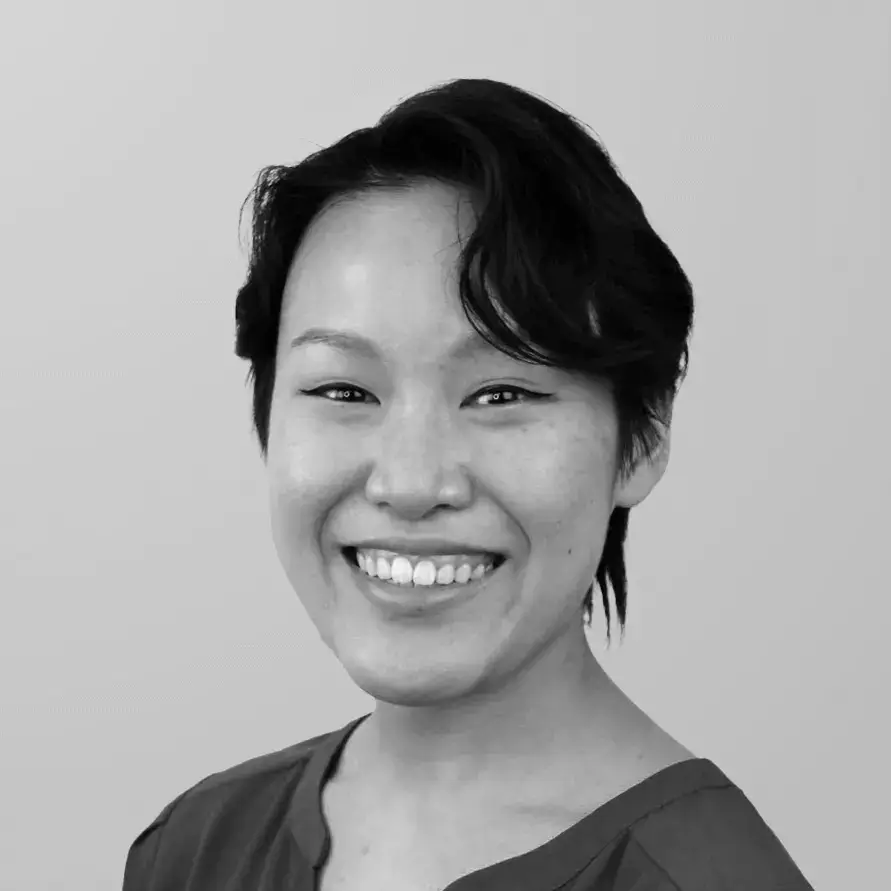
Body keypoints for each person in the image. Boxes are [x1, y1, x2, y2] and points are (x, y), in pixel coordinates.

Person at [122, 78, 814, 890]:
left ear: (643, 437)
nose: (411, 483)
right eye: (344, 391)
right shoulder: (200, 846)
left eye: (501, 394)